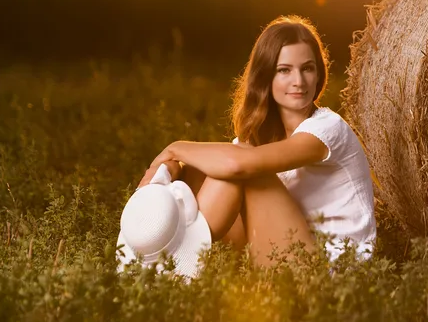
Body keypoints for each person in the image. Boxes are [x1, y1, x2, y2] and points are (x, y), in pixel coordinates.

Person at [136, 15, 376, 267]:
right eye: (284, 70)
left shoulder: (328, 128)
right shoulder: (263, 136)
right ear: (266, 77)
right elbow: (222, 165)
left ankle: (175, 260)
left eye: (307, 68)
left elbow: (239, 164)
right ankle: (160, 244)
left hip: (331, 273)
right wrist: (168, 169)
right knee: (203, 169)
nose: (299, 81)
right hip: (286, 252)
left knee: (241, 165)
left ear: (318, 74)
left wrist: (175, 148)